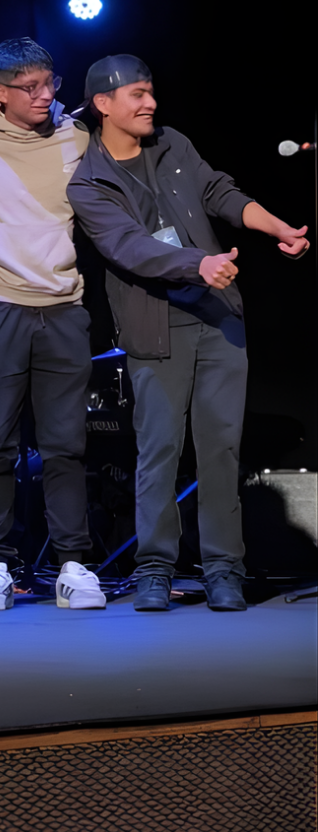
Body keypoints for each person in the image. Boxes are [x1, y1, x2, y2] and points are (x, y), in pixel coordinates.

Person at [67, 54, 310, 612]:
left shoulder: (172, 144)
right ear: (103, 104)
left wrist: (276, 227)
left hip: (218, 319)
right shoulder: (89, 182)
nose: (151, 103)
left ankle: (224, 569)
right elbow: (127, 246)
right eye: (137, 94)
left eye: (151, 91)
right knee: (159, 450)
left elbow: (220, 192)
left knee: (220, 448)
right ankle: (155, 569)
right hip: (156, 328)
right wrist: (197, 264)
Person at [0, 37, 105, 613]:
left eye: (49, 83)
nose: (43, 95)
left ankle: (72, 563)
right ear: (0, 91)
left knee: (66, 444)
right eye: (29, 87)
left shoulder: (76, 137)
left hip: (64, 306)